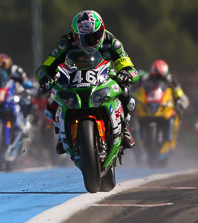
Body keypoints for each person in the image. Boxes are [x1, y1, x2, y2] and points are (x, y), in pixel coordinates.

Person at [35, 10, 139, 153]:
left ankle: (125, 127)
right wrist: (46, 77)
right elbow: (46, 66)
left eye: (93, 36)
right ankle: (61, 131)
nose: (88, 42)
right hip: (73, 77)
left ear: (101, 30)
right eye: (83, 38)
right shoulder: (65, 43)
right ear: (75, 34)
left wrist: (126, 74)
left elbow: (128, 66)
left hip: (103, 77)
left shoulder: (112, 42)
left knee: (125, 92)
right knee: (52, 99)